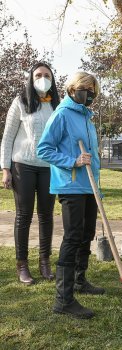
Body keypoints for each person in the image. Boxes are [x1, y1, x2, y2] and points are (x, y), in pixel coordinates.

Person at [37, 72, 104, 319]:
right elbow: (44, 149)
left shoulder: (87, 119)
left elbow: (93, 158)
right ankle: (63, 300)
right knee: (73, 236)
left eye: (92, 91)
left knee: (87, 233)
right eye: (85, 89)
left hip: (89, 187)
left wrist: (98, 187)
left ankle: (79, 280)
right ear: (72, 89)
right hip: (70, 184)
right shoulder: (62, 114)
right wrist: (72, 161)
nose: (89, 94)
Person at [0, 62, 60, 285]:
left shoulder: (57, 105)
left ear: (52, 79)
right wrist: (6, 169)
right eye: (38, 75)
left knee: (46, 215)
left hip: (48, 167)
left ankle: (44, 262)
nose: (42, 78)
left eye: (46, 75)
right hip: (22, 165)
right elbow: (7, 137)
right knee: (23, 216)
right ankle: (22, 265)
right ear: (31, 78)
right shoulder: (21, 102)